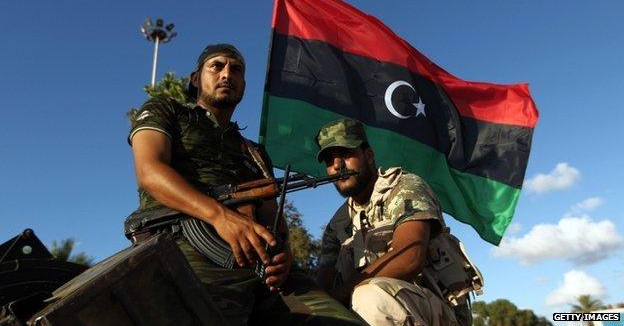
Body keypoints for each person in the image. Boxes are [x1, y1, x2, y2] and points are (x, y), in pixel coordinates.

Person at [128, 44, 363, 326]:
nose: (227, 74)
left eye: (236, 69)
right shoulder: (168, 111)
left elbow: (271, 218)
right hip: (185, 250)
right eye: (217, 66)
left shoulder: (253, 152)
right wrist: (220, 216)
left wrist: (283, 256)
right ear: (195, 78)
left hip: (260, 268)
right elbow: (149, 170)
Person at [315, 118, 473, 326]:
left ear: (368, 155)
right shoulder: (338, 224)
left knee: (369, 298)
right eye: (329, 160)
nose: (337, 165)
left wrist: (343, 294)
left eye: (345, 154)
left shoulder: (404, 187)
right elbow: (323, 286)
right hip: (368, 314)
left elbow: (410, 256)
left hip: (437, 314)